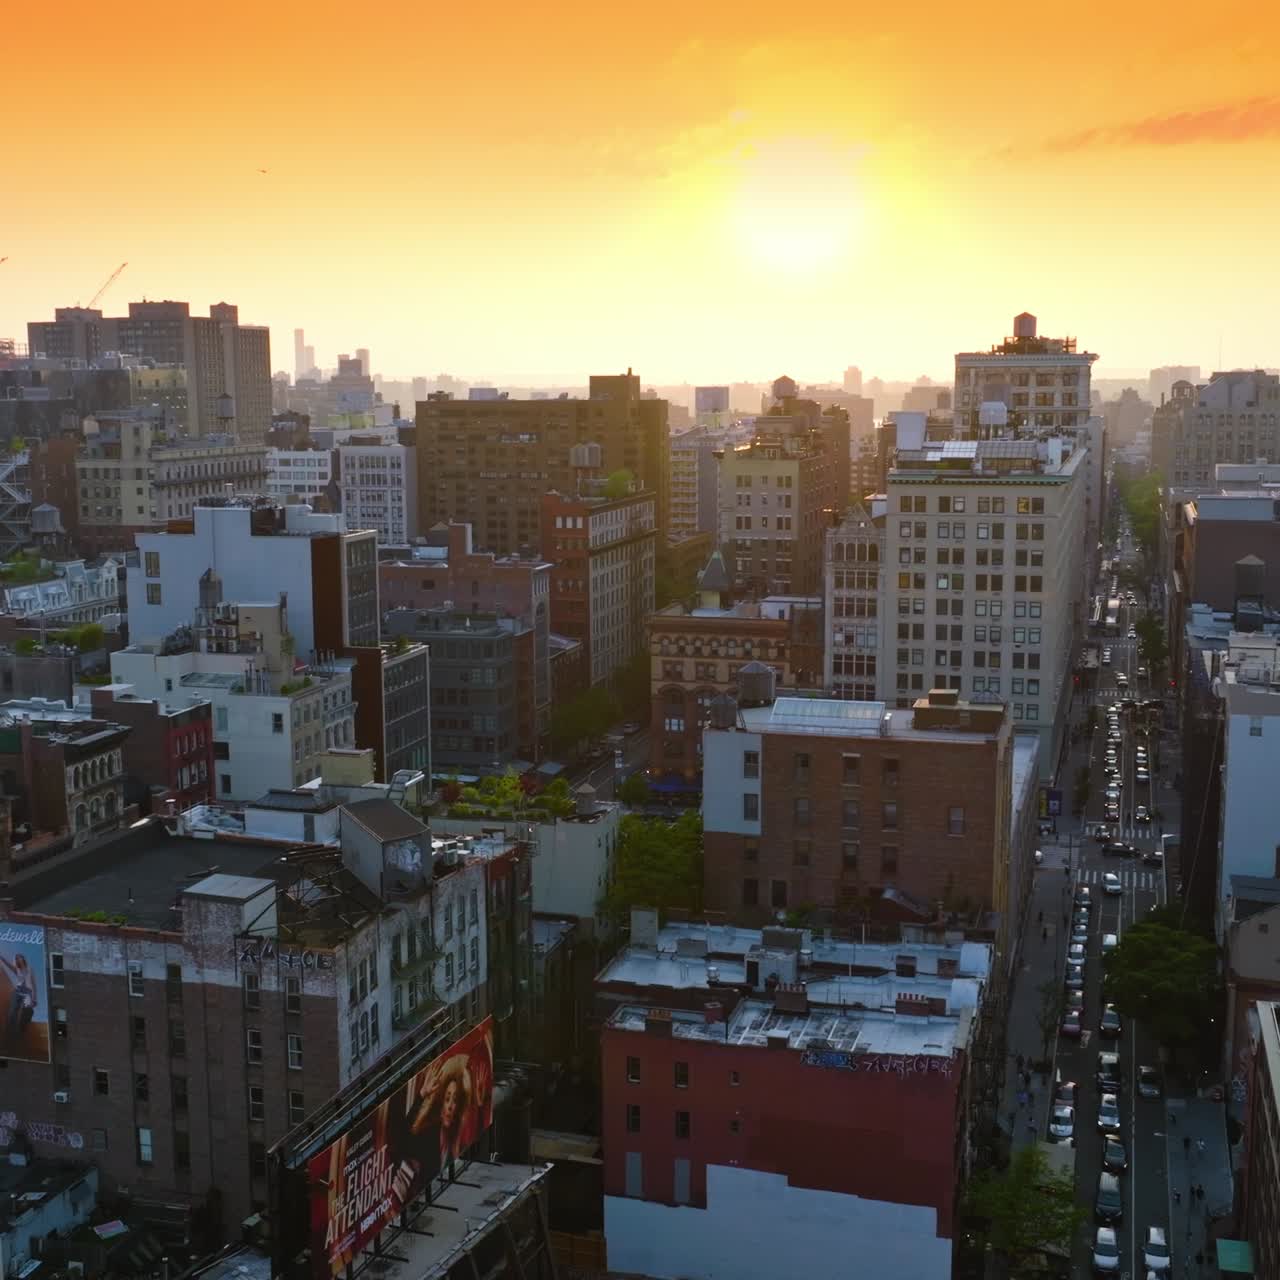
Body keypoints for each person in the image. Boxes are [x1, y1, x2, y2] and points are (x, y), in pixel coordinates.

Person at [0, 951, 37, 1045]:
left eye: (20, 957)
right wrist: (1, 957)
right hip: (18, 991)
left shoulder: (29, 969)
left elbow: (33, 984)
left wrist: (34, 998)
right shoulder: (17, 969)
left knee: (28, 1011)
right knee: (12, 1011)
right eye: (16, 958)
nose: (18, 959)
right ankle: (9, 1034)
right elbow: (8, 964)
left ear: (23, 959)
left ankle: (20, 1032)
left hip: (27, 992)